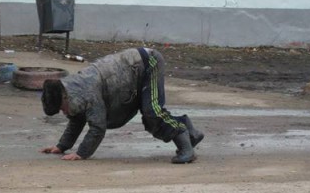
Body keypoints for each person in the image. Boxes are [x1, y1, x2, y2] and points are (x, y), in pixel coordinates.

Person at [40, 47, 204, 163]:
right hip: (134, 70)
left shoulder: (85, 91)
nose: (63, 112)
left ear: (64, 98)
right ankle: (191, 134)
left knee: (152, 112)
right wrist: (62, 146)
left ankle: (186, 149)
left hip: (149, 63)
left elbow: (97, 127)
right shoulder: (72, 90)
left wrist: (81, 154)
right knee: (150, 116)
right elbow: (77, 119)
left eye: (61, 108)